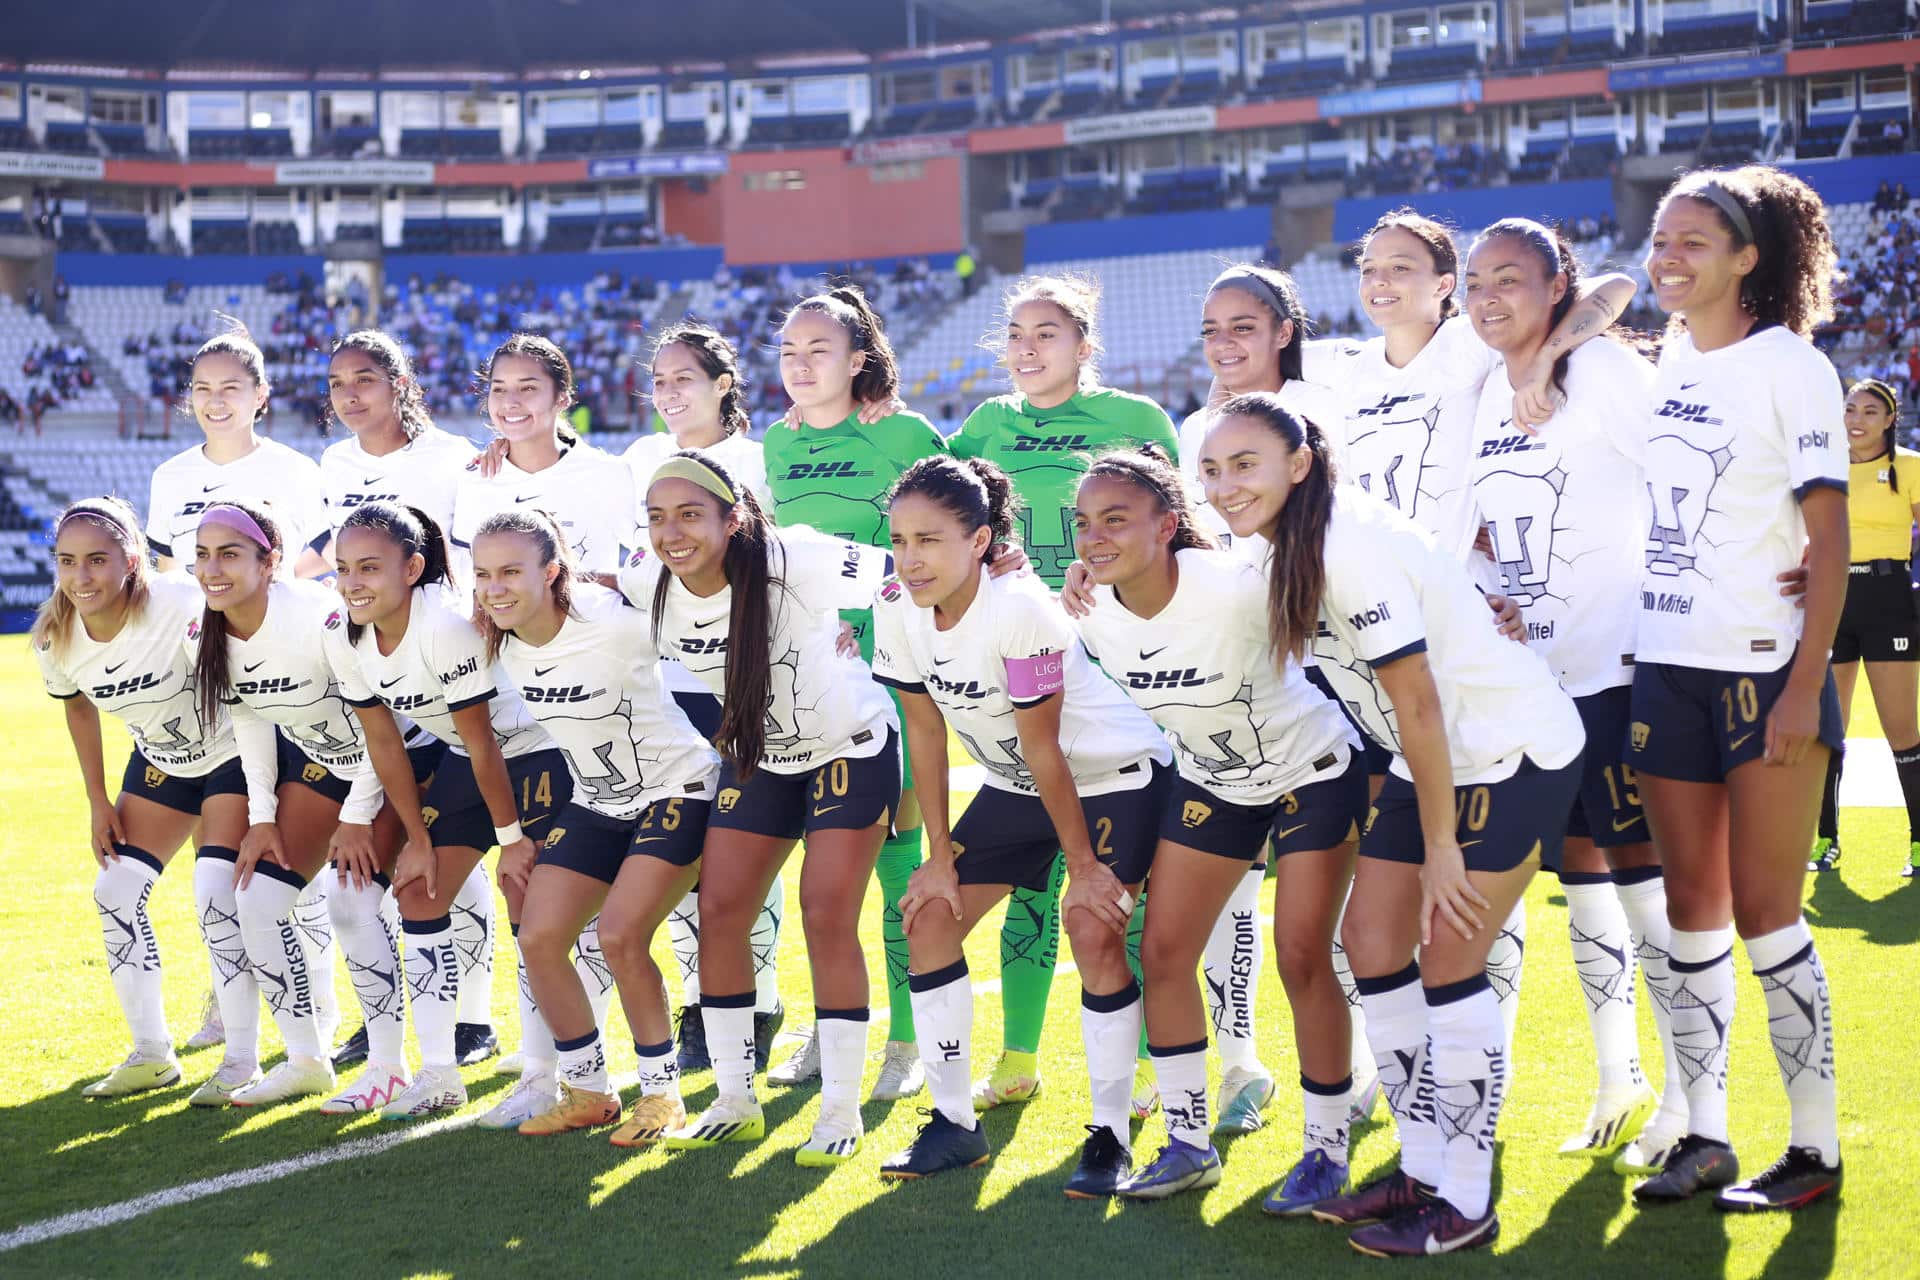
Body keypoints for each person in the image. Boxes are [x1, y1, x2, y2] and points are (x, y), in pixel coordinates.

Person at [1198, 394, 1585, 1257]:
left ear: (1299, 464)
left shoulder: (1348, 546)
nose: (1226, 486)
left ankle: (1469, 1198)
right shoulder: (1283, 545)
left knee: (1448, 957)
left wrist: (1442, 848)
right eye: (1214, 469)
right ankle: (1419, 1166)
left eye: (1246, 464)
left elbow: (1417, 700)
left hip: (1508, 746)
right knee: (1371, 943)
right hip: (1433, 756)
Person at [1307, 211, 1637, 1054]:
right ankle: (1448, 1066)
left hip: (1484, 639)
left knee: (1569, 866)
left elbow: (1604, 290)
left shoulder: (1468, 350)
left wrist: (1553, 355)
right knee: (1445, 881)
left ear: (1445, 282)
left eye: (1405, 267)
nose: (1382, 281)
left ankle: (1618, 1066)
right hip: (1395, 648)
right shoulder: (1342, 373)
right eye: (1369, 267)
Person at [1060, 449, 1368, 1212]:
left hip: (1314, 770)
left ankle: (1327, 1152)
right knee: (1164, 953)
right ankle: (1189, 1144)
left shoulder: (1235, 585)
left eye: (1116, 520)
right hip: (1216, 783)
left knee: (1302, 954)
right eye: (1084, 523)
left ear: (1168, 525)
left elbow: (1356, 616)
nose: (1095, 537)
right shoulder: (1087, 608)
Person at [1626, 166, 1847, 1212]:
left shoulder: (1790, 365)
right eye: (1659, 238)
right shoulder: (1667, 353)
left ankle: (1814, 1147)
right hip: (1664, 669)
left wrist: (1806, 688)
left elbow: (1832, 536)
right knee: (1690, 912)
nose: (1667, 257)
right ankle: (1706, 1134)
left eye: (1694, 242)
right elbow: (1598, 311)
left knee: (1768, 913)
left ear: (1750, 258)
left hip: (1768, 678)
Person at [875, 456, 1174, 1197]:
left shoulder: (1022, 611)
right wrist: (938, 857)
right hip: (1020, 785)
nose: (911, 559)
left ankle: (1110, 1136)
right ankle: (952, 1127)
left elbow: (1044, 744)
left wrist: (1085, 868)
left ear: (980, 541)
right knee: (929, 918)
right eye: (901, 540)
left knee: (1092, 926)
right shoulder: (896, 604)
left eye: (931, 541)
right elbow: (926, 731)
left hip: (1114, 775)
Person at [1460, 219, 1685, 1170]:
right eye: (1474, 283)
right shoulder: (1474, 394)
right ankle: (1616, 1074)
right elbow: (1469, 532)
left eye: (1510, 279)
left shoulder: (1606, 374)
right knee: (1583, 881)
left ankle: (1687, 1100)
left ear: (1557, 286)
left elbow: (1683, 481)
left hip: (1624, 673)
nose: (1487, 299)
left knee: (1651, 898)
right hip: (1539, 689)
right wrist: (1495, 594)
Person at [950, 273, 1195, 1120]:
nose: (1026, 349)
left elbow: (1179, 530)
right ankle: (1018, 1057)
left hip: (1125, 670)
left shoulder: (1138, 423)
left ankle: (1160, 1062)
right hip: (1028, 667)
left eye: (1047, 334)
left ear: (1086, 346)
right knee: (1032, 880)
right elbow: (950, 529)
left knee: (1127, 887)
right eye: (1015, 334)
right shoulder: (983, 428)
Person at [625, 453, 900, 1164]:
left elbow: (906, 574)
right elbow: (577, 600)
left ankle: (840, 1111)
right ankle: (736, 1099)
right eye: (657, 518)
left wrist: (999, 572)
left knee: (826, 914)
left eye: (689, 514)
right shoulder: (648, 583)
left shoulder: (794, 555)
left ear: (733, 516)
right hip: (761, 756)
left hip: (852, 743)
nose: (671, 532)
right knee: (718, 912)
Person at [472, 507, 722, 1142]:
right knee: (537, 936)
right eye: (482, 575)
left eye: (509, 572)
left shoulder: (612, 619)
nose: (494, 587)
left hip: (680, 790)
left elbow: (708, 606)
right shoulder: (491, 635)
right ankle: (589, 1091)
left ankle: (663, 1098)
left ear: (552, 571)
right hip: (597, 802)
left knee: (618, 936)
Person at [186, 501, 441, 1110]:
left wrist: (356, 816)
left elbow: (381, 731)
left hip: (405, 761)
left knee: (351, 899)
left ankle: (389, 1066)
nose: (211, 568)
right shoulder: (212, 631)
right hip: (334, 769)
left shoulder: (320, 621)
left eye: (229, 554)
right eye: (201, 554)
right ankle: (306, 1059)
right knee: (256, 893)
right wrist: (262, 818)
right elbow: (250, 722)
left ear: (270, 561)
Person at [324, 503, 571, 1120]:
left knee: (526, 900)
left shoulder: (446, 627)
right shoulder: (346, 634)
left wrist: (512, 839)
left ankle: (544, 1076)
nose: (353, 581)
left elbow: (487, 739)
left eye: (370, 567)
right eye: (343, 567)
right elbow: (384, 743)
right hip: (470, 756)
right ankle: (439, 1073)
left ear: (412, 567)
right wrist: (417, 838)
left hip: (538, 750)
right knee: (420, 892)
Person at [759, 286, 945, 1102]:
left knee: (894, 868)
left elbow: (943, 544)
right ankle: (838, 1027)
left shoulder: (904, 435)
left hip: (895, 675)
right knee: (822, 878)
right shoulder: (776, 443)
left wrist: (875, 612)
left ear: (858, 360)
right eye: (790, 352)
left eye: (819, 351)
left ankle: (906, 1042)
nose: (802, 366)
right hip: (810, 684)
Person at [148, 324, 333, 1055]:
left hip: (288, 670)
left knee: (294, 843)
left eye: (232, 388)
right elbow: (168, 577)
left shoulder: (294, 471)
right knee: (224, 845)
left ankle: (314, 999)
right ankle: (234, 996)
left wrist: (267, 617)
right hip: (206, 677)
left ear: (261, 395)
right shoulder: (169, 478)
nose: (216, 402)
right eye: (203, 390)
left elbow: (323, 566)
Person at [319, 330, 500, 1074]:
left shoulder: (451, 458)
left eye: (365, 378)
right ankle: (395, 1023)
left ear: (401, 383)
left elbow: (490, 534)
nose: (350, 395)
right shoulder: (333, 466)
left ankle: (474, 1017)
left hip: (455, 677)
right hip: (391, 681)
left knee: (461, 850)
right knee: (414, 863)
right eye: (336, 384)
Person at [34, 498, 256, 1105]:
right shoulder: (57, 637)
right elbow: (76, 705)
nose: (82, 577)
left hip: (235, 757)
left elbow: (243, 683)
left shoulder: (179, 604)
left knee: (215, 894)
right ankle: (153, 1055)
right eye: (68, 562)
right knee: (113, 891)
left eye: (97, 561)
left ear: (132, 559)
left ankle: (241, 1059)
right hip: (163, 766)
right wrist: (97, 800)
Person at [620, 325, 786, 1077]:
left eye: (683, 377)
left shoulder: (760, 460)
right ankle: (705, 1004)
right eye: (658, 380)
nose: (668, 392)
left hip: (756, 685)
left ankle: (760, 1002)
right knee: (693, 861)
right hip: (670, 686)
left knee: (745, 862)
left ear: (725, 383)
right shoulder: (633, 462)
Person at [1811, 378, 1920, 880]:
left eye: (1870, 411)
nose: (1856, 419)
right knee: (1829, 732)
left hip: (1889, 601)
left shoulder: (1910, 467)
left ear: (1889, 419)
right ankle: (1826, 844)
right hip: (1832, 601)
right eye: (1850, 408)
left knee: (1902, 732)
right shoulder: (1822, 468)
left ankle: (1918, 845)